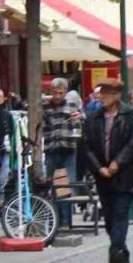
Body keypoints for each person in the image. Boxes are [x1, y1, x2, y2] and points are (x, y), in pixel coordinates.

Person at [78, 79, 133, 263]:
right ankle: (120, 250)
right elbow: (86, 146)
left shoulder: (130, 115)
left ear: (116, 95)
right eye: (100, 93)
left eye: (106, 94)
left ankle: (115, 253)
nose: (101, 98)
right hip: (102, 175)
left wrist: (117, 163)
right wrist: (99, 168)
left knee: (120, 213)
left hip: (125, 175)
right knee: (108, 217)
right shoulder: (93, 118)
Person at [43, 78, 84, 223]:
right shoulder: (45, 106)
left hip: (68, 148)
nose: (58, 96)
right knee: (51, 184)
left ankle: (66, 220)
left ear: (65, 92)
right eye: (55, 93)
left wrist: (80, 117)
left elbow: (83, 118)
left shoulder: (72, 104)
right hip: (50, 148)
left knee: (66, 185)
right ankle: (55, 219)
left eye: (61, 93)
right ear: (51, 92)